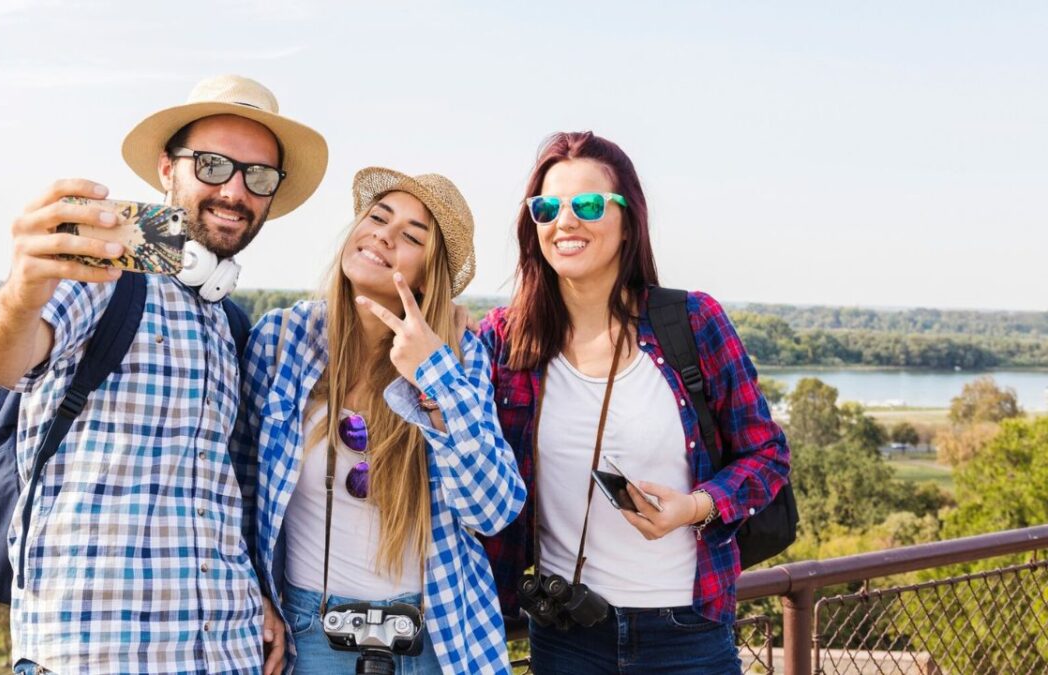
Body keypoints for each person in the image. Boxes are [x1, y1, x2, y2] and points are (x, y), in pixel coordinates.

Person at [0, 75, 327, 675]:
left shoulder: (231, 324)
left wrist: (256, 595)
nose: (234, 190)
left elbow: (219, 496)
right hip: (98, 656)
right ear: (167, 169)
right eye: (211, 165)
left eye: (257, 177)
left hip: (230, 653)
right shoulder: (102, 281)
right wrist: (22, 293)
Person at [479, 131, 790, 674]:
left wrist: (694, 507)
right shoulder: (505, 342)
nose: (565, 221)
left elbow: (768, 456)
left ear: (629, 221)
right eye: (547, 207)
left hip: (687, 632)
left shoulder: (692, 322)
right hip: (564, 632)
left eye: (590, 204)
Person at [242, 167, 526, 675]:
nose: (384, 235)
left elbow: (494, 509)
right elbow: (240, 488)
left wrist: (435, 378)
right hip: (310, 635)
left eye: (412, 236)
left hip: (432, 637)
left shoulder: (458, 359)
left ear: (426, 274)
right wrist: (254, 596)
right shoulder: (280, 339)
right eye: (377, 217)